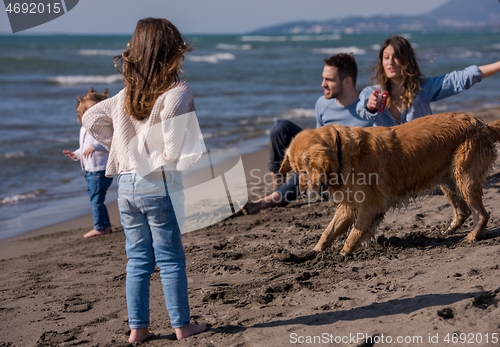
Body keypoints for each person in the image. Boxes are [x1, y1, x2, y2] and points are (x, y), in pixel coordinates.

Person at [82, 18, 206, 343]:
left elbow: (90, 117)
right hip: (158, 183)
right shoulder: (177, 91)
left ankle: (138, 330)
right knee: (169, 257)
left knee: (137, 258)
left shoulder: (126, 95)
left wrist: (121, 147)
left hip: (127, 187)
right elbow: (174, 141)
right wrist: (163, 153)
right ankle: (182, 326)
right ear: (171, 54)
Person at [241, 53, 373, 215]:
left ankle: (264, 203)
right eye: (323, 78)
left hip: (346, 172)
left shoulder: (368, 107)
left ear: (347, 82)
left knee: (314, 159)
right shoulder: (322, 104)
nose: (323, 84)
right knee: (281, 128)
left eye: (329, 80)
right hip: (321, 167)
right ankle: (279, 191)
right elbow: (315, 138)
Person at [356, 35, 500, 127]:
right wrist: (371, 106)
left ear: (406, 60)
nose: (390, 62)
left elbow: (461, 78)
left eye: (396, 57)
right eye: (386, 57)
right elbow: (362, 109)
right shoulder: (372, 92)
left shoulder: (423, 89)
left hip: (420, 158)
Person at [63, 88, 113, 238]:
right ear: (83, 112)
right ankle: (106, 225)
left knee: (96, 199)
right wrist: (77, 154)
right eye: (90, 109)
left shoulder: (102, 126)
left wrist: (95, 146)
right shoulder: (84, 128)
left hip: (100, 170)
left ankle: (99, 227)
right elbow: (84, 148)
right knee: (97, 198)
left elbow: (110, 143)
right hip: (91, 170)